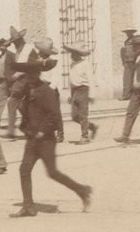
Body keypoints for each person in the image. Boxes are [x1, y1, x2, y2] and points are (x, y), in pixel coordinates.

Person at [13, 53, 92, 215]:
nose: (28, 76)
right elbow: (26, 111)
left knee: (52, 172)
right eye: (27, 73)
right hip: (32, 138)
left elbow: (55, 116)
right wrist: (25, 126)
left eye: (32, 73)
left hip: (45, 140)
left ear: (37, 73)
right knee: (24, 169)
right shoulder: (28, 91)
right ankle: (28, 206)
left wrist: (42, 131)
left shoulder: (46, 91)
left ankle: (82, 190)